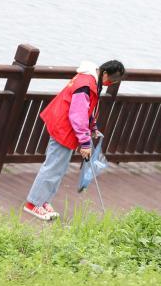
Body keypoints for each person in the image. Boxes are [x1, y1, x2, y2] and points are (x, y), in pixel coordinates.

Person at [23, 60, 126, 221]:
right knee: (53, 167)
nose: (111, 84)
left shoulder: (91, 81)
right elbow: (77, 115)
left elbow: (86, 109)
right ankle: (33, 203)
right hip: (64, 128)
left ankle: (43, 201)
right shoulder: (86, 84)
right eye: (112, 80)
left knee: (59, 168)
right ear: (105, 73)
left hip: (66, 128)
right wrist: (85, 142)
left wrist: (92, 126)